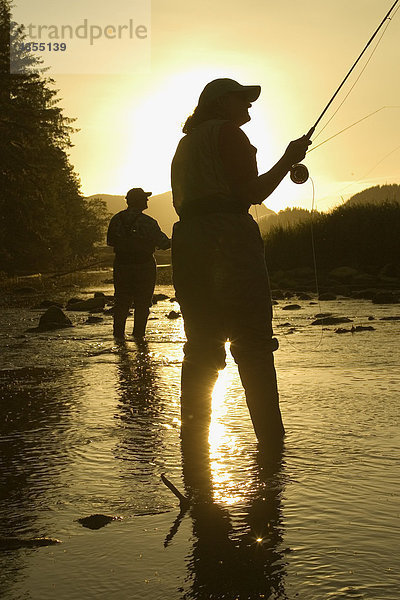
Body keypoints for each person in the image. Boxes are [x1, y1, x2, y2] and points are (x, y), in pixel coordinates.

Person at [171, 78, 310, 449]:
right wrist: (289, 158)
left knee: (201, 346)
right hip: (228, 239)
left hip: (188, 245)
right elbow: (253, 192)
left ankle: (194, 451)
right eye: (242, 101)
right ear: (220, 104)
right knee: (253, 346)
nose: (249, 108)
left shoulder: (185, 145)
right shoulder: (229, 134)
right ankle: (272, 449)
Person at [107, 187, 171, 340]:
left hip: (122, 265)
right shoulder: (148, 222)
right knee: (142, 304)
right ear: (139, 201)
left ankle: (118, 338)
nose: (147, 200)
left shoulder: (116, 219)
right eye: (145, 198)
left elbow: (110, 242)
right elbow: (164, 243)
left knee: (121, 302)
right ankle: (139, 337)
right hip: (144, 266)